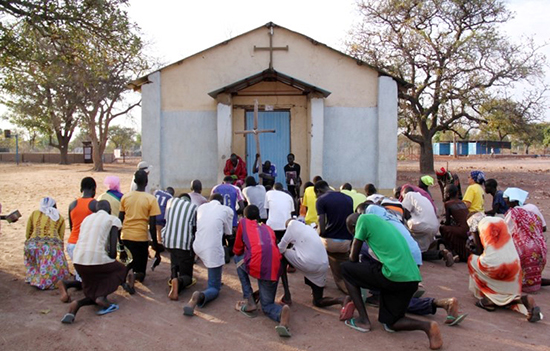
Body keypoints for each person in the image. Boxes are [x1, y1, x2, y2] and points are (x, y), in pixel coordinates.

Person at [342, 213, 442, 350]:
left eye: (353, 232)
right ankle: (428, 326)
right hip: (411, 279)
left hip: (394, 276)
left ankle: (363, 320)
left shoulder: (363, 220)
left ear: (354, 226)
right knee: (391, 323)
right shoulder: (383, 224)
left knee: (346, 268)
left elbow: (353, 258)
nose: (355, 235)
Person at [61, 201, 126, 324]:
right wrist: (111, 259)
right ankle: (102, 297)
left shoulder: (86, 220)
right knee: (120, 269)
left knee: (93, 288)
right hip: (97, 260)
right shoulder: (113, 219)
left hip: (78, 260)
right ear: (110, 210)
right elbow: (113, 251)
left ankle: (76, 305)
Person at [468, 216, 542, 322]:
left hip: (495, 266)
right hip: (514, 264)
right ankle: (524, 300)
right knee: (509, 295)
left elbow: (479, 251)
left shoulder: (475, 224)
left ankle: (489, 298)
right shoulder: (500, 221)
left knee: (472, 259)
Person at [233, 205, 291, 337]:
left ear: (245, 216)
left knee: (238, 259)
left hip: (258, 264)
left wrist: (245, 251)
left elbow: (237, 248)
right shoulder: (268, 228)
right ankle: (281, 312)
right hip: (275, 268)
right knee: (268, 304)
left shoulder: (243, 223)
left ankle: (250, 301)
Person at [184, 194, 233, 316]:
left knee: (211, 259)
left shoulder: (201, 207)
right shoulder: (226, 210)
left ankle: (214, 278)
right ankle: (200, 296)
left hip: (197, 245)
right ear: (221, 202)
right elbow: (228, 232)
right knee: (215, 288)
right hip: (211, 249)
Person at [278, 219, 345, 308]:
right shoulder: (309, 229)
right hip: (323, 264)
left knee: (282, 256)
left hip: (310, 264)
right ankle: (341, 300)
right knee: (318, 301)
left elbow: (280, 249)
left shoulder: (291, 227)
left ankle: (287, 296)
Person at [119, 170, 161, 289]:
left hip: (126, 236)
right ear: (146, 182)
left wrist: (119, 241)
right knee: (142, 274)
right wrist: (155, 247)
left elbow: (119, 220)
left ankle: (126, 276)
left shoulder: (125, 197)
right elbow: (152, 226)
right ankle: (135, 276)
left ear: (135, 181)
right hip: (141, 238)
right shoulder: (151, 199)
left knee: (128, 262)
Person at [58, 177, 97, 302]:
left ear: (81, 189)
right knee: (89, 279)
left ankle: (67, 284)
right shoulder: (94, 203)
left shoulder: (72, 204)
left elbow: (72, 226)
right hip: (85, 245)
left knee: (81, 275)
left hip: (72, 244)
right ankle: (67, 284)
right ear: (93, 189)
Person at [503, 188, 548, 292]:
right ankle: (536, 282)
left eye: (506, 200)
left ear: (513, 200)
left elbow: (505, 230)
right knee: (534, 272)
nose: (505, 202)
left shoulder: (513, 212)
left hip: (524, 248)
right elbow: (544, 227)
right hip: (540, 245)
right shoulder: (533, 208)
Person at [315, 180, 354, 293]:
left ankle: (320, 281)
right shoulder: (348, 198)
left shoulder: (321, 200)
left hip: (331, 242)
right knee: (343, 262)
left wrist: (319, 235)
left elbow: (321, 227)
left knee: (317, 247)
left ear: (319, 191)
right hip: (347, 241)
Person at [24, 197, 70, 290]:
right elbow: (61, 237)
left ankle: (34, 278)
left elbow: (28, 232)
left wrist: (30, 241)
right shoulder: (59, 217)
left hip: (33, 245)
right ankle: (46, 282)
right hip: (51, 247)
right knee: (52, 262)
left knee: (36, 262)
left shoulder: (34, 213)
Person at [401, 188, 453, 266]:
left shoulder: (408, 195)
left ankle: (404, 250)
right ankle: (442, 253)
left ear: (404, 193)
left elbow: (405, 213)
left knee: (401, 223)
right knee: (421, 253)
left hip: (420, 225)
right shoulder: (423, 198)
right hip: (434, 226)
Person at [162, 193, 198, 300]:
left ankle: (173, 275)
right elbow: (194, 229)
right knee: (188, 277)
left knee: (174, 253)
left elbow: (167, 221)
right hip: (183, 245)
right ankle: (180, 281)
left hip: (168, 241)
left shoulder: (170, 202)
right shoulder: (194, 208)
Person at [439, 184, 469, 262]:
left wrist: (443, 223)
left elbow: (447, 222)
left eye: (445, 193)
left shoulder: (448, 204)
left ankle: (451, 251)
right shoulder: (462, 203)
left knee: (442, 228)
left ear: (448, 194)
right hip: (469, 229)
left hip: (462, 230)